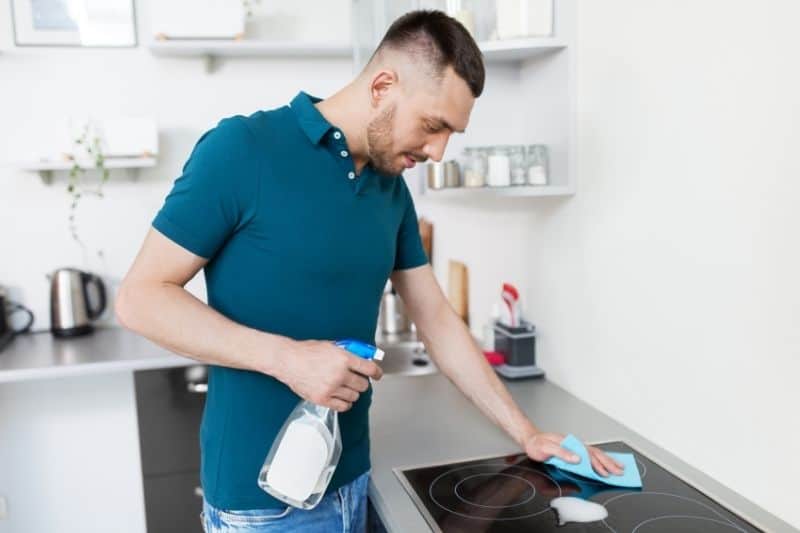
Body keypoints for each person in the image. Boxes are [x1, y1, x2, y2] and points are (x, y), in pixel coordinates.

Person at [115, 10, 623, 533]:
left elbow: (435, 318)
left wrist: (526, 432)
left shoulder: (390, 191)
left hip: (355, 479)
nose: (438, 150)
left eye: (452, 133)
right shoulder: (242, 150)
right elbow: (140, 298)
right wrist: (288, 359)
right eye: (433, 125)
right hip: (264, 504)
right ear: (382, 85)